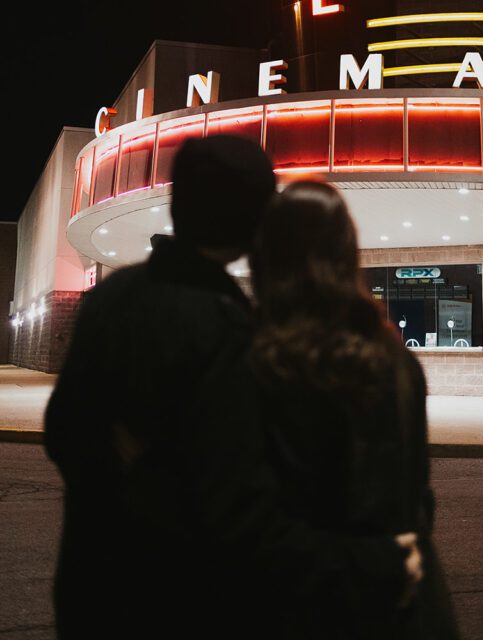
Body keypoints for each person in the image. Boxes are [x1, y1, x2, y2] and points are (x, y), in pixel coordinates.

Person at [44, 136, 420, 640]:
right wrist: (375, 565)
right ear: (254, 221)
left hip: (88, 591)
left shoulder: (111, 297)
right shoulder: (227, 330)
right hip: (177, 603)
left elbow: (62, 433)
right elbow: (237, 513)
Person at [250, 178, 458, 639]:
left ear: (266, 256)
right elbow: (418, 494)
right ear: (347, 253)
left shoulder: (256, 361)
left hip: (298, 607)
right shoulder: (396, 360)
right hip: (404, 601)